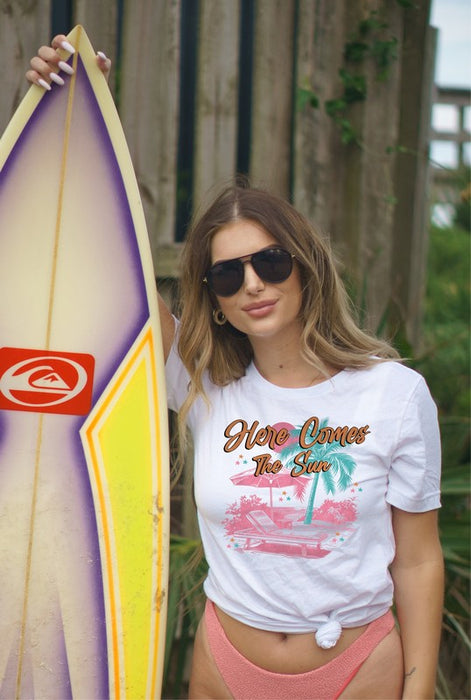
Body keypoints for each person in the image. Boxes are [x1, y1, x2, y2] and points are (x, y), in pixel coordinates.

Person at [28, 37, 444, 700]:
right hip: (227, 669)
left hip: (357, 672)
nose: (252, 283)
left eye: (270, 262)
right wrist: (79, 111)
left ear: (305, 267)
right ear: (215, 300)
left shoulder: (393, 394)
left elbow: (418, 562)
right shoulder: (203, 386)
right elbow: (110, 257)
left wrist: (417, 692)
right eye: (227, 275)